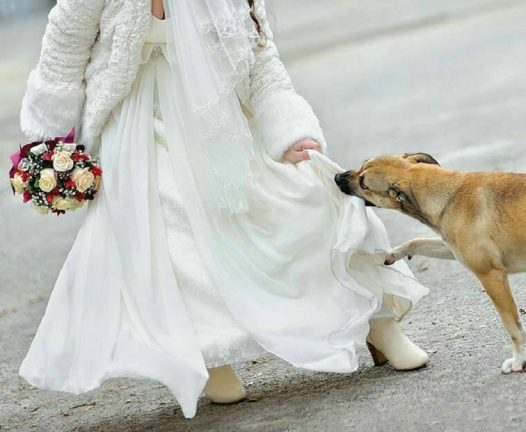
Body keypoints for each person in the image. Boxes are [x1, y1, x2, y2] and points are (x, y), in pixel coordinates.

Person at [18, 0, 429, 418]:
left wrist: (288, 129)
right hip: (140, 128)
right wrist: (48, 144)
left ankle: (381, 324)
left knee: (304, 202)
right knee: (171, 235)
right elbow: (62, 54)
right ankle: (213, 360)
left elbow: (262, 59)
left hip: (221, 118)